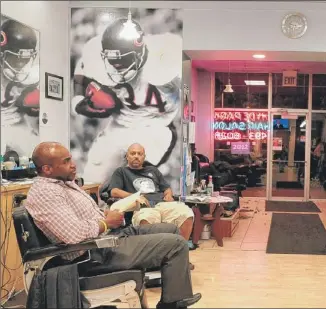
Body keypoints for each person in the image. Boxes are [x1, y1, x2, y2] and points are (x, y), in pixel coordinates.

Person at [24, 142, 201, 309]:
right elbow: (74, 234)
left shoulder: (63, 184)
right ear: (47, 169)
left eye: (71, 158)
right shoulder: (46, 193)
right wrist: (104, 222)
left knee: (171, 230)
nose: (73, 164)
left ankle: (174, 297)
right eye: (66, 161)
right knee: (175, 244)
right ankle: (171, 304)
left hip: (107, 238)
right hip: (94, 254)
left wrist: (104, 216)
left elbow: (79, 220)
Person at [71, 16, 182, 183]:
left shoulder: (165, 57)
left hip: (155, 124)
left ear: (139, 53)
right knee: (93, 180)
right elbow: (82, 70)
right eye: (112, 61)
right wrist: (79, 100)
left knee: (136, 181)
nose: (116, 66)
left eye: (122, 60)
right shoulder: (95, 53)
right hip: (121, 124)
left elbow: (191, 82)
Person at [108, 143, 194, 242]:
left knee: (186, 213)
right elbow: (114, 192)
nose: (136, 156)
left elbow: (166, 188)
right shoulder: (121, 172)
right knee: (146, 218)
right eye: (133, 153)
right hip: (143, 206)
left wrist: (168, 195)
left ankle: (180, 248)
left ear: (144, 157)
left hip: (163, 203)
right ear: (127, 156)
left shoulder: (153, 170)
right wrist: (135, 197)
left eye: (139, 154)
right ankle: (153, 253)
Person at [0, 18, 40, 156]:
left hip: (18, 124)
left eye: (25, 59)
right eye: (15, 58)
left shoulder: (33, 74)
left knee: (36, 156)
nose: (20, 64)